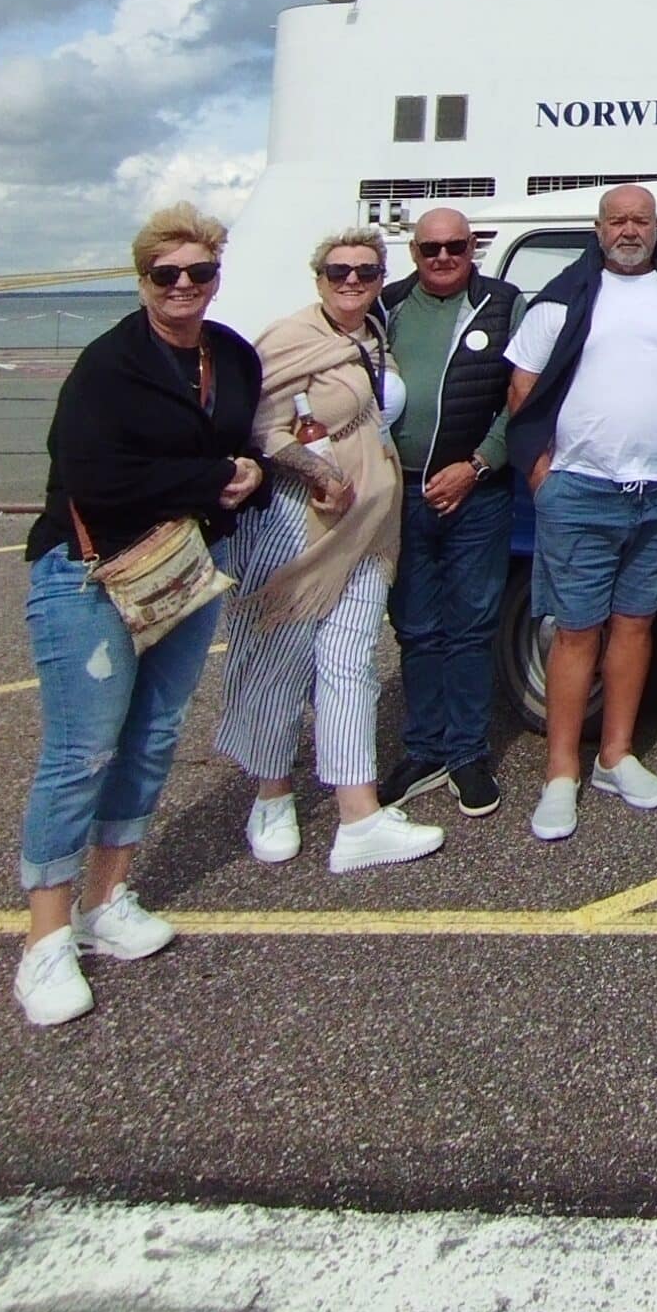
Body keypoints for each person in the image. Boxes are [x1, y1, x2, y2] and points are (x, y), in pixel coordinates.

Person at [14, 205, 268, 1028]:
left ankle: (107, 898)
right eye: (168, 275)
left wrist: (250, 474)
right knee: (80, 752)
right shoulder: (110, 364)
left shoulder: (230, 356)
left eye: (199, 272)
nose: (185, 287)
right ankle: (44, 942)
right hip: (89, 575)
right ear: (143, 279)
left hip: (183, 569)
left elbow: (240, 445)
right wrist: (210, 481)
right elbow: (93, 477)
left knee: (156, 732)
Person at [215, 228, 444, 874]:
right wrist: (317, 474)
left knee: (350, 666)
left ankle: (358, 817)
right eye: (339, 271)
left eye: (366, 272)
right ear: (318, 276)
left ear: (379, 278)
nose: (352, 281)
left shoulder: (374, 335)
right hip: (298, 523)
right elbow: (258, 424)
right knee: (276, 661)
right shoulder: (290, 337)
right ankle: (271, 795)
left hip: (370, 527)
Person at [505, 184, 657, 842]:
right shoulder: (565, 298)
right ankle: (559, 774)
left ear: (656, 228)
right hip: (581, 488)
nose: (629, 229)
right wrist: (544, 474)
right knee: (576, 631)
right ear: (597, 229)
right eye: (617, 220)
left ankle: (615, 756)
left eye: (641, 219)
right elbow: (522, 386)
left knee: (636, 624)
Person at [379, 208, 524, 819]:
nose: (443, 258)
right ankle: (424, 748)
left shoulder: (504, 302)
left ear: (474, 248)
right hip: (400, 494)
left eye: (455, 246)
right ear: (414, 253)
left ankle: (467, 753)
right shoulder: (385, 308)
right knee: (414, 627)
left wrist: (478, 465)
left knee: (470, 625)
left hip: (478, 492)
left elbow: (526, 396)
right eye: (431, 248)